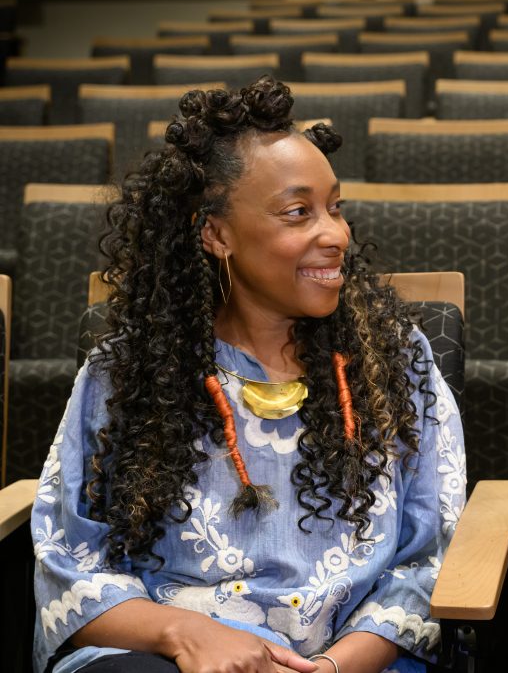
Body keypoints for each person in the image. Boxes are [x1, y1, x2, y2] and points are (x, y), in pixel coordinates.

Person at [31, 76, 466, 673]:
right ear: (216, 234)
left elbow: (430, 559)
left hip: (353, 660)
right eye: (298, 213)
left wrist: (331, 668)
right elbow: (71, 564)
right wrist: (186, 634)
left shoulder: (392, 360)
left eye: (335, 208)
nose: (336, 234)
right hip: (167, 656)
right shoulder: (127, 371)